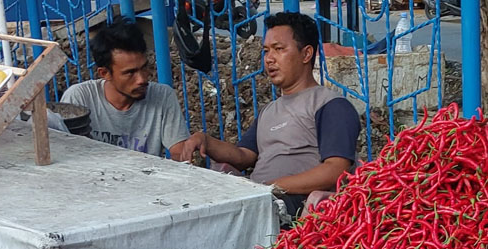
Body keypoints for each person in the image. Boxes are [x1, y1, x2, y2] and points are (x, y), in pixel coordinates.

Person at [185, 12, 362, 218]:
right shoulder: (269, 111)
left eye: (279, 49)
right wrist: (204, 140)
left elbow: (335, 170)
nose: (269, 59)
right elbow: (243, 157)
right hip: (260, 199)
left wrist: (270, 187)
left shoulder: (330, 105)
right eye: (266, 50)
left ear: (306, 54)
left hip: (295, 206)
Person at [60, 19, 196, 159]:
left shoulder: (162, 96)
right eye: (130, 73)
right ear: (104, 73)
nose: (142, 79)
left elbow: (180, 154)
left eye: (144, 68)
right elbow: (66, 154)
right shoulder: (79, 99)